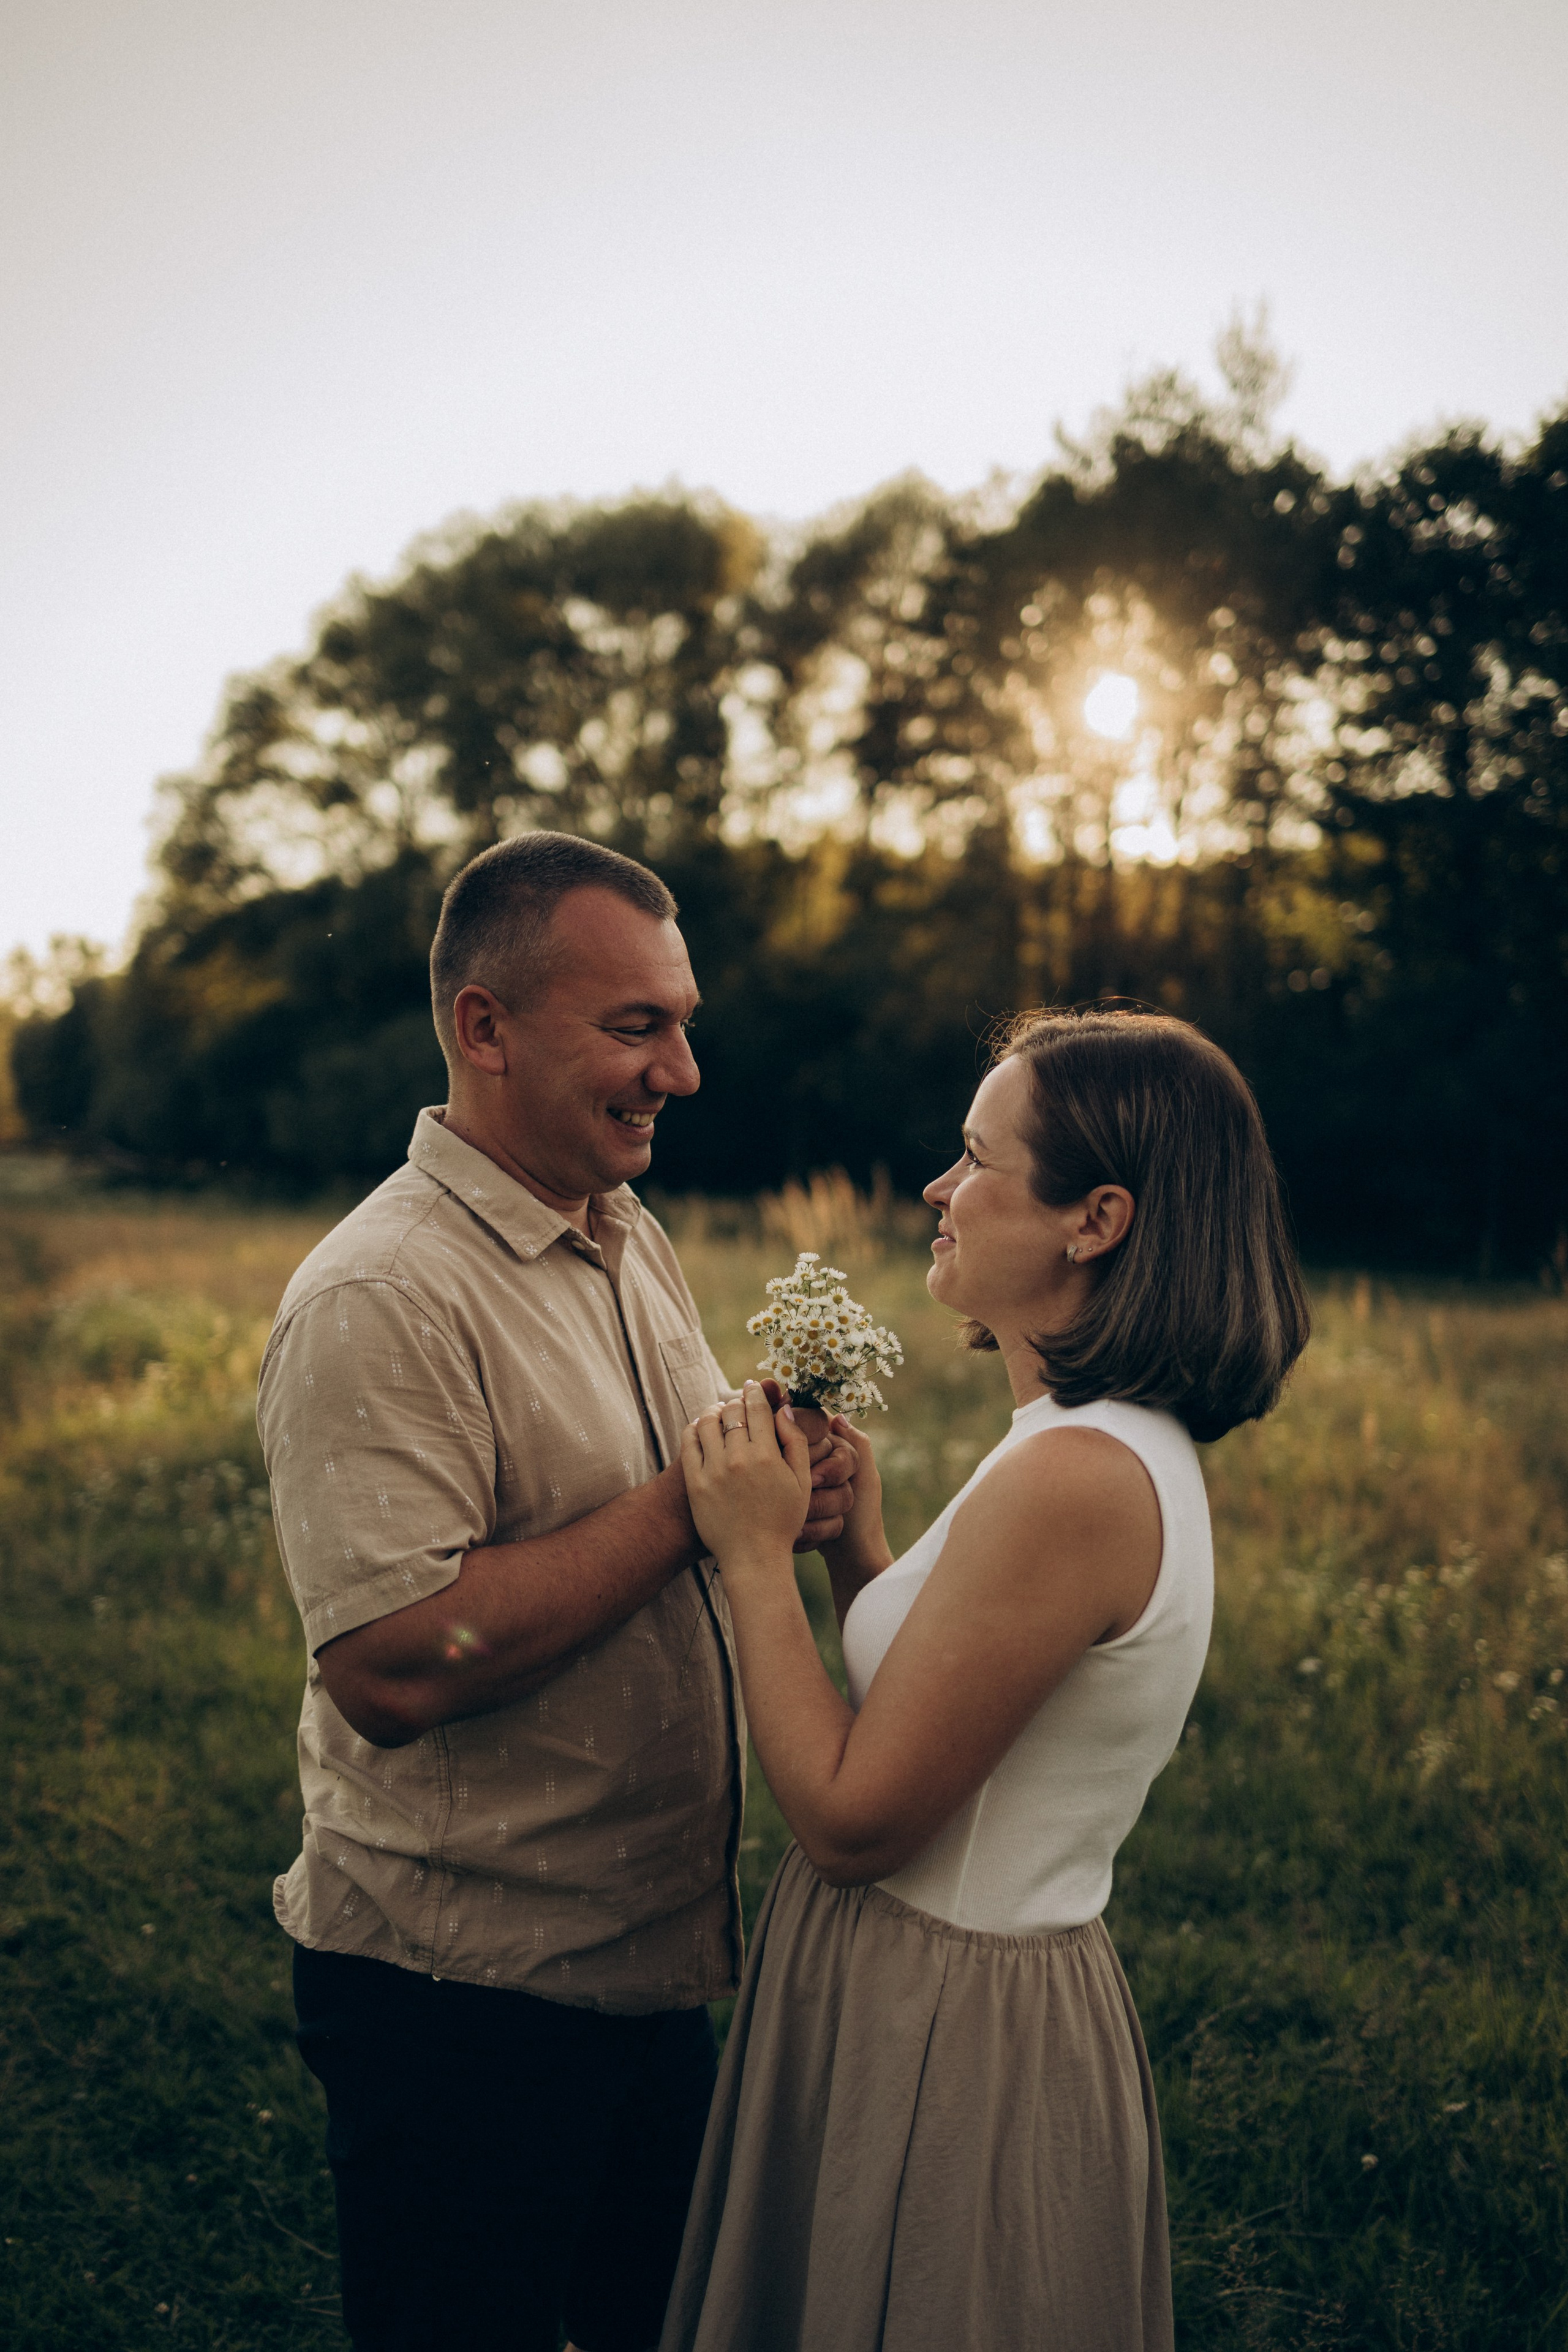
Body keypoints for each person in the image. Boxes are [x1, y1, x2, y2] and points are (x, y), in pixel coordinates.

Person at [257, 831, 855, 2352]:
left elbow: (673, 1516)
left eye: (684, 1022)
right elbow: (390, 1669)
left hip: (645, 1966)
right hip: (466, 2005)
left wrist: (779, 1504)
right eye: (635, 1026)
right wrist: (687, 1511)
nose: (683, 1071)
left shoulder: (617, 1227)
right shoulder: (379, 1295)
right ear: (484, 1028)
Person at [660, 1008, 1310, 2352]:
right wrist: (859, 1554)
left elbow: (852, 1825)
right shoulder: (1079, 1442)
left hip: (943, 2024)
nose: (936, 1191)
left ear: (1097, 1219)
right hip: (925, 1984)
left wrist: (745, 1555)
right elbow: (967, 1721)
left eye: (975, 1160)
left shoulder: (1074, 1475)